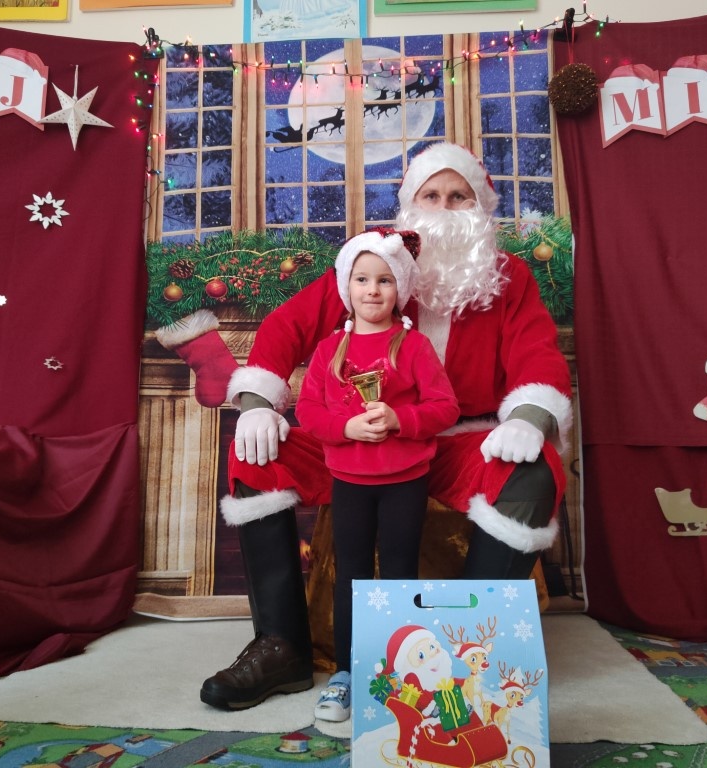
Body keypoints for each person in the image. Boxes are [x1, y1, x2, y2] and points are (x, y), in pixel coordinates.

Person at [199, 142, 572, 713]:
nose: (444, 209)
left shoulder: (508, 276)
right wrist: (255, 403)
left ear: (480, 206)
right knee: (256, 452)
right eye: (431, 195)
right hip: (361, 443)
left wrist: (528, 418)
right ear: (409, 203)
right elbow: (286, 327)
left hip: (460, 442)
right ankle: (281, 644)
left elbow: (537, 354)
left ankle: (475, 649)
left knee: (533, 467)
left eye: (458, 196)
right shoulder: (376, 264)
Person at [294, 228, 460, 722]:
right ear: (346, 287)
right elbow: (307, 411)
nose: (372, 290)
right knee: (351, 576)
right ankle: (347, 673)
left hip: (405, 480)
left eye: (385, 280)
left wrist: (399, 419)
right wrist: (345, 427)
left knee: (400, 573)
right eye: (362, 279)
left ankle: (405, 675)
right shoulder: (330, 349)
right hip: (350, 481)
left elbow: (445, 407)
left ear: (399, 288)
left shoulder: (414, 346)